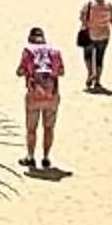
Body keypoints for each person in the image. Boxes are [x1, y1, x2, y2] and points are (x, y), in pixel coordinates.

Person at [16, 24, 68, 174]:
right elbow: (61, 72)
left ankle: (30, 156)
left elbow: (20, 71)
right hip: (52, 95)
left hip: (34, 95)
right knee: (49, 128)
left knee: (31, 128)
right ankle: (46, 157)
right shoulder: (55, 52)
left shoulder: (28, 52)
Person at [76, 0, 112, 94]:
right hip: (104, 35)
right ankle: (97, 81)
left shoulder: (89, 5)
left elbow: (81, 17)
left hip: (91, 34)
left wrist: (87, 22)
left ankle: (90, 72)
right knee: (100, 58)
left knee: (88, 56)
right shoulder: (109, 6)